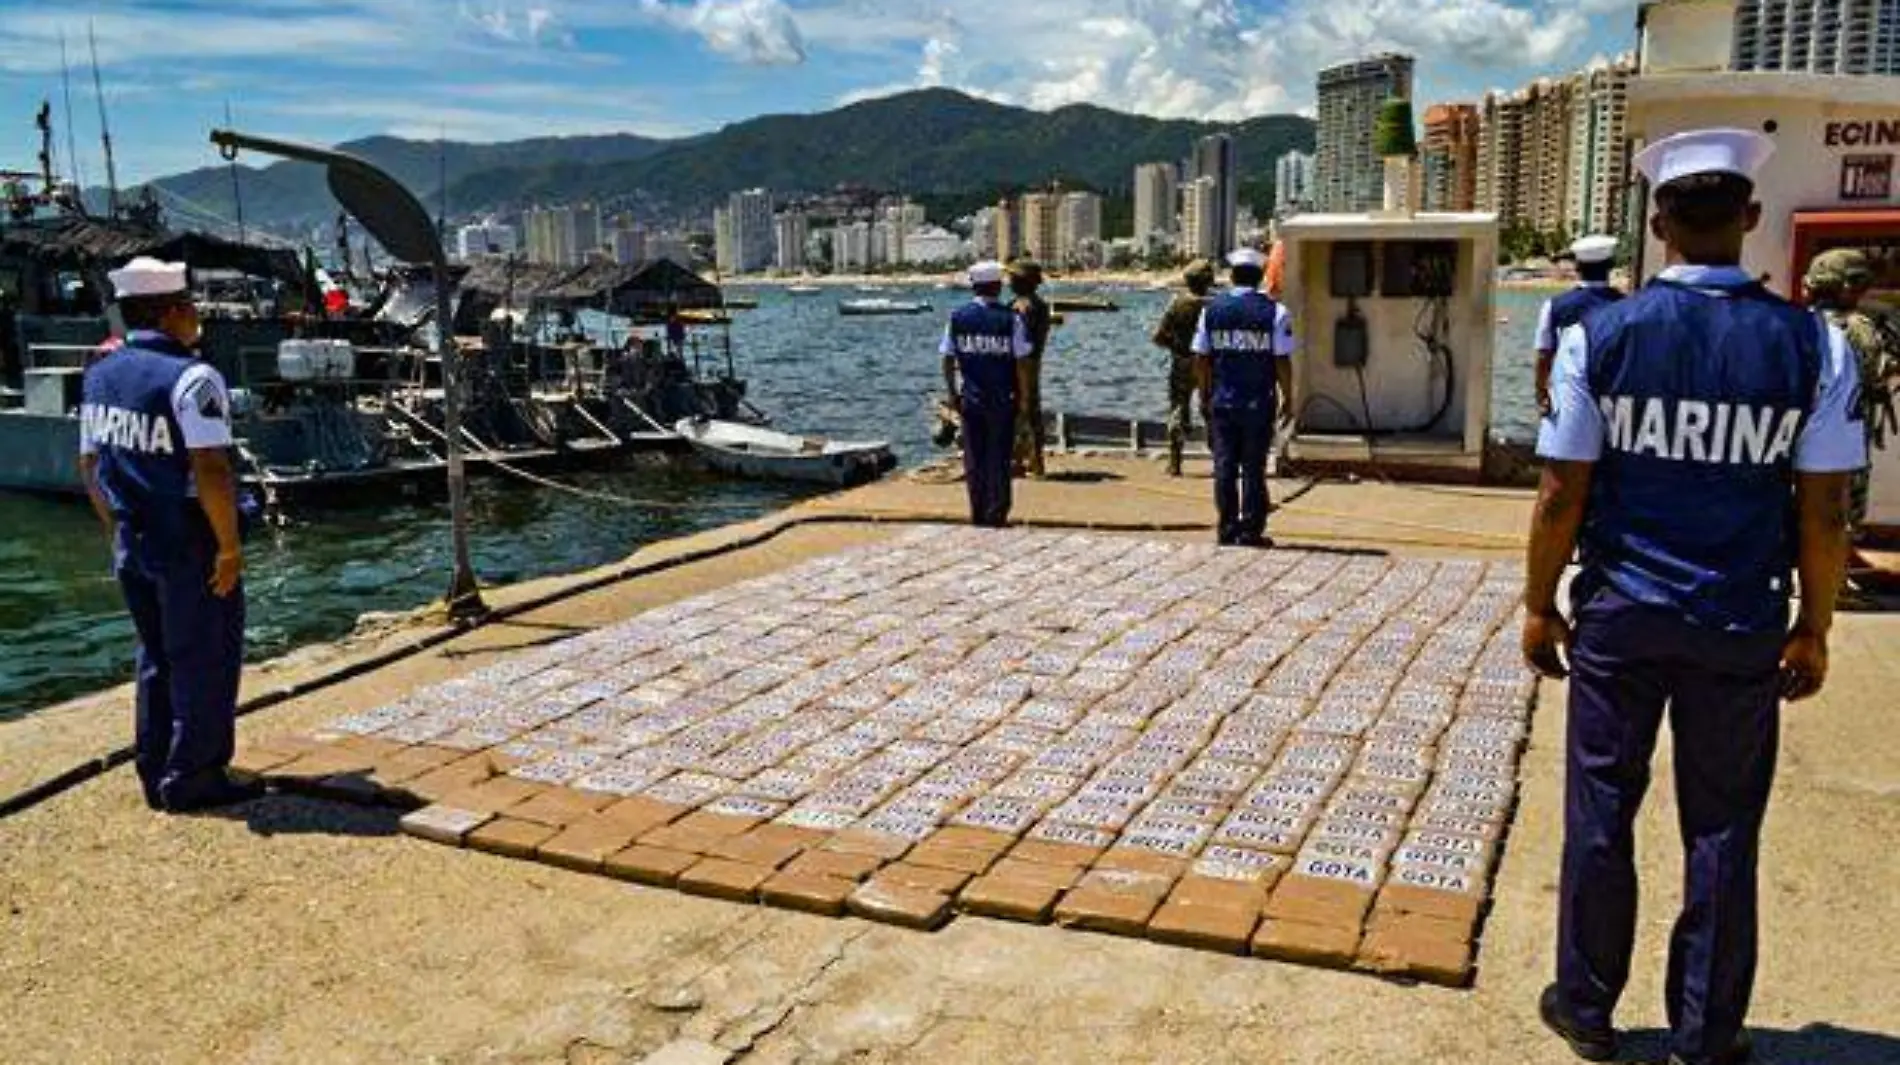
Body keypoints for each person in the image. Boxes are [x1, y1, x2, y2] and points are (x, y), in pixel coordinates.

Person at [1524, 130, 1864, 1065]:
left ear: (1658, 224)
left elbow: (1562, 490)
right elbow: (1826, 510)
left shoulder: (1602, 333)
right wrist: (1816, 626)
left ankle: (1587, 1007)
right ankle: (1706, 1031)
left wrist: (1538, 601)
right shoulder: (1814, 343)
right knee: (1721, 825)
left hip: (1622, 617)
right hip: (1740, 620)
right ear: (1750, 220)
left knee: (1602, 809)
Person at [79, 257, 260, 813]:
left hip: (134, 537)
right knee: (204, 655)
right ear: (176, 311)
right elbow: (210, 467)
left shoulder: (100, 372)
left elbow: (89, 463)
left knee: (156, 655)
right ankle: (195, 775)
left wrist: (117, 530)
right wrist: (228, 547)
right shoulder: (193, 376)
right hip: (189, 540)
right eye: (191, 307)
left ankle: (155, 765)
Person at [1192, 248, 1295, 547]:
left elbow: (1201, 358)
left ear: (1232, 276)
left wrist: (1204, 394)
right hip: (1258, 402)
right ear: (1262, 276)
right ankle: (1250, 530)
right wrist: (1289, 396)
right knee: (1253, 467)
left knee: (1224, 466)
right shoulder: (1275, 312)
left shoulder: (1211, 310)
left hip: (1223, 401)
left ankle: (1226, 528)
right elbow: (1281, 361)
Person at [1804, 248, 1898, 543]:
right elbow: (1875, 375)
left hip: (1799, 431)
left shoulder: (1798, 322)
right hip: (1846, 438)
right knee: (1841, 512)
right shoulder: (1862, 328)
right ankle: (1834, 576)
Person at [941, 260, 1033, 527]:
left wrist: (952, 393)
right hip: (1003, 399)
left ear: (974, 287)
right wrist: (1025, 399)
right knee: (1000, 456)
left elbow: (947, 358)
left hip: (971, 397)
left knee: (975, 458)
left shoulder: (957, 318)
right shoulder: (1010, 319)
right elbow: (1022, 362)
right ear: (996, 286)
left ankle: (978, 511)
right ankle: (997, 511)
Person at [1536, 234, 1625, 416]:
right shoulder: (1627, 306)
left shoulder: (1555, 306)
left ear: (1577, 267)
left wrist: (1541, 395)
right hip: (1614, 401)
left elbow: (1543, 355)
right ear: (1611, 265)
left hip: (1568, 398)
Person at [1150, 259, 1215, 476]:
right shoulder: (1215, 306)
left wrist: (1175, 347)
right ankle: (1221, 459)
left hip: (1181, 363)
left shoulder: (1177, 304)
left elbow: (1158, 336)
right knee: (1212, 411)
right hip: (1209, 365)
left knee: (1178, 411)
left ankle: (1175, 462)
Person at [1008, 258, 1052, 478]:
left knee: (1025, 412)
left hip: (1024, 365)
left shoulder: (1025, 307)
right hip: (1031, 364)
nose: (1009, 282)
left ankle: (1031, 462)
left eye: (1013, 278)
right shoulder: (1038, 305)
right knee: (1026, 412)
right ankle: (1023, 459)